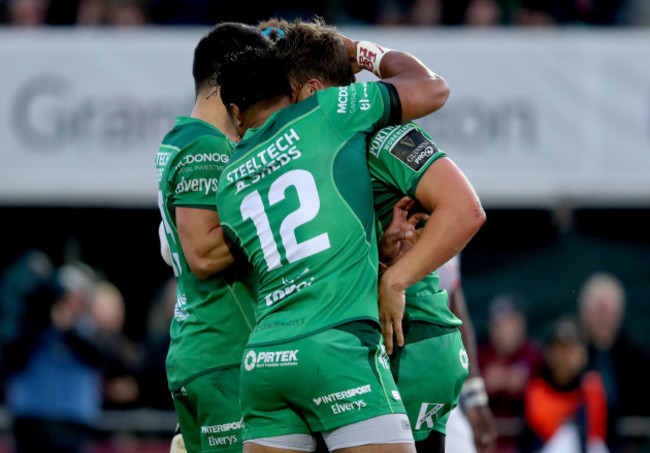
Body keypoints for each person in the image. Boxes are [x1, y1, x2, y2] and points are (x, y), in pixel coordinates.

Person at [214, 18, 480, 450]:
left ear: (315, 92)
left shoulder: (379, 133)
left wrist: (397, 276)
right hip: (356, 338)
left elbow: (464, 209)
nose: (286, 108)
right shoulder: (330, 133)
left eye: (291, 96)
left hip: (407, 335)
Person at [155, 23, 272, 453]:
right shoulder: (206, 147)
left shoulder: (181, 142)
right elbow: (202, 253)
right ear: (226, 80)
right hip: (224, 351)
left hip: (201, 349)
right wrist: (270, 221)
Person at [578, 272, 650, 451]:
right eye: (597, 311)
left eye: (607, 311)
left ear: (620, 312)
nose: (602, 318)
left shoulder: (638, 358)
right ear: (584, 312)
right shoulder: (571, 356)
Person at [437, 256, 498, 453]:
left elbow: (454, 303)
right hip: (396, 375)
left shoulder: (456, 234)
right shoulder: (398, 228)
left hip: (439, 381)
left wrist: (475, 396)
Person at [525, 317, 608, 453]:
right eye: (559, 349)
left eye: (571, 350)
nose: (565, 357)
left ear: (583, 354)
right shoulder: (537, 390)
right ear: (549, 353)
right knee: (566, 436)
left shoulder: (593, 386)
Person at [478, 292, 544, 452]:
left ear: (521, 324)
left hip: (529, 440)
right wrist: (482, 385)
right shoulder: (480, 356)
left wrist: (528, 385)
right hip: (486, 439)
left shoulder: (535, 356)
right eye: (499, 324)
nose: (505, 330)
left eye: (510, 323)